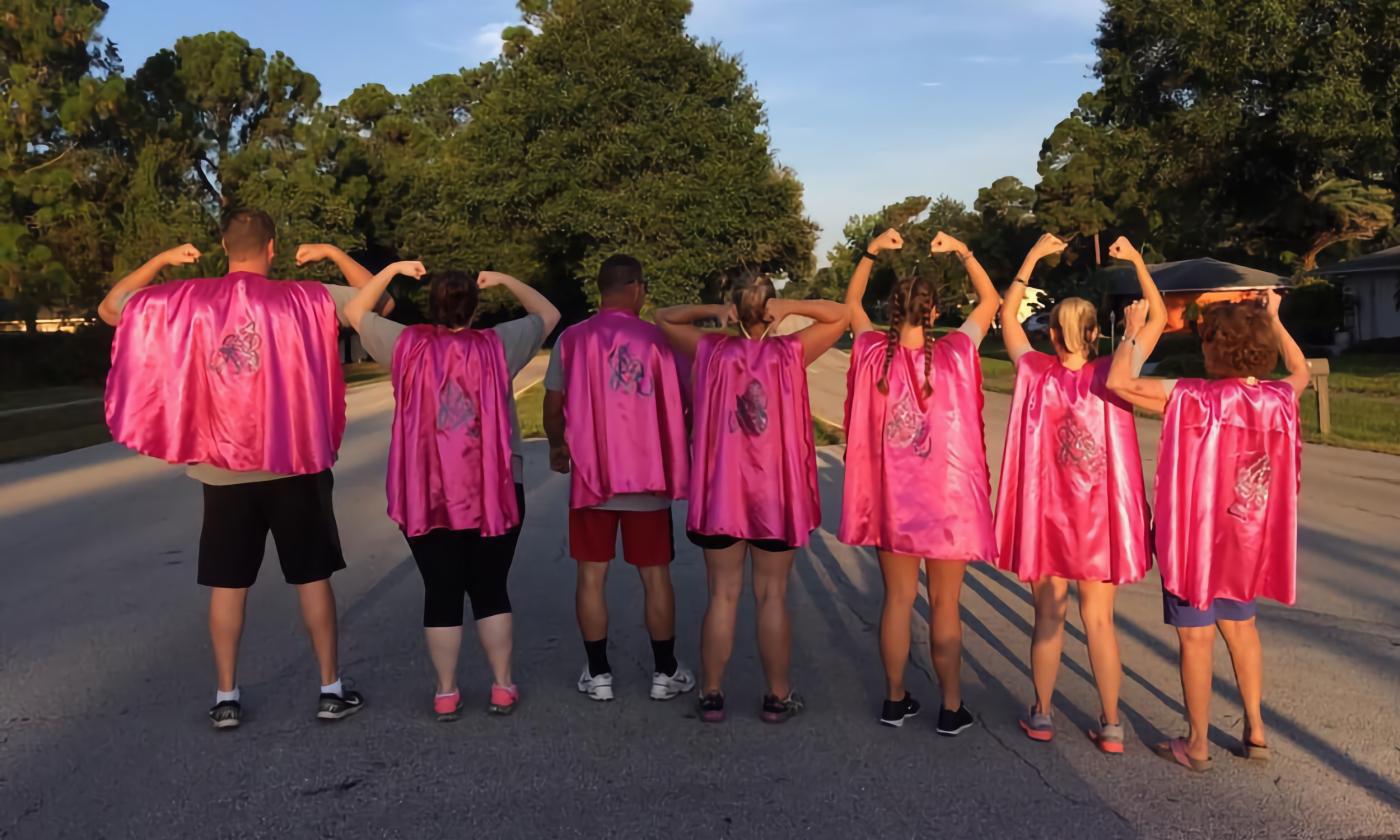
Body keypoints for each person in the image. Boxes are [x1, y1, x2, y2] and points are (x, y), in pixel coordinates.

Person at [99, 210, 376, 729]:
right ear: (272, 248)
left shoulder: (185, 299)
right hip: (294, 465)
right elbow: (379, 301)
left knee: (227, 585)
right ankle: (330, 688)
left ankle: (226, 696)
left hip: (221, 471)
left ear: (224, 246)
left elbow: (112, 308)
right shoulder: (308, 295)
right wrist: (334, 255)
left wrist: (160, 261)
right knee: (312, 578)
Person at [341, 260, 558, 721]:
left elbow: (357, 310)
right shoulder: (498, 345)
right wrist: (506, 279)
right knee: (491, 589)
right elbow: (550, 314)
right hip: (495, 489)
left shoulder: (405, 344)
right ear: (476, 309)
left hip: (427, 492)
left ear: (431, 306)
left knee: (440, 591)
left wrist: (394, 269)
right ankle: (501, 686)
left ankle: (445, 692)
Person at [1108, 290, 1308, 772]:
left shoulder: (1189, 395)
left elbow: (1119, 381)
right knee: (1242, 631)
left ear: (1217, 350)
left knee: (1196, 640)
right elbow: (1299, 372)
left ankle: (1197, 743)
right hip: (1246, 541)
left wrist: (1133, 332)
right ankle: (1256, 728)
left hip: (1194, 543)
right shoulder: (1277, 399)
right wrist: (1275, 318)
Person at [994, 234, 1165, 752]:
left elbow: (1005, 318)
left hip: (1048, 521)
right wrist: (1136, 262)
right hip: (1099, 524)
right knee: (1099, 621)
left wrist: (1029, 259)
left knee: (1048, 616)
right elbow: (1158, 317)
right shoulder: (1116, 372)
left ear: (1051, 334)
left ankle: (1042, 714)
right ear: (1094, 333)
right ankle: (1111, 723)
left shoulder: (1034, 371)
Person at [655, 275, 849, 724]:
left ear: (734, 309)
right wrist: (790, 304)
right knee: (772, 595)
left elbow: (662, 317)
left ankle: (711, 693)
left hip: (722, 495)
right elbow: (841, 314)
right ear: (770, 310)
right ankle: (777, 697)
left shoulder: (710, 349)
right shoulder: (792, 351)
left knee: (721, 595)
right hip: (774, 498)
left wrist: (716, 311)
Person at [839, 229, 1000, 735]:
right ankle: (951, 707)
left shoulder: (869, 352)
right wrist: (964, 250)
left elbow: (850, 304)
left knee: (897, 601)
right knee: (946, 605)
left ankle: (894, 699)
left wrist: (869, 252)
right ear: (933, 314)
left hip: (893, 508)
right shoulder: (955, 352)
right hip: (946, 510)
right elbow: (992, 300)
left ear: (892, 311)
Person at [542, 256, 695, 703]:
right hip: (647, 475)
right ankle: (664, 671)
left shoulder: (572, 339)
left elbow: (554, 407)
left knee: (591, 575)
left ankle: (598, 672)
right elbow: (683, 403)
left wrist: (557, 445)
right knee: (655, 576)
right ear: (635, 288)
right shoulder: (660, 340)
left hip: (594, 475)